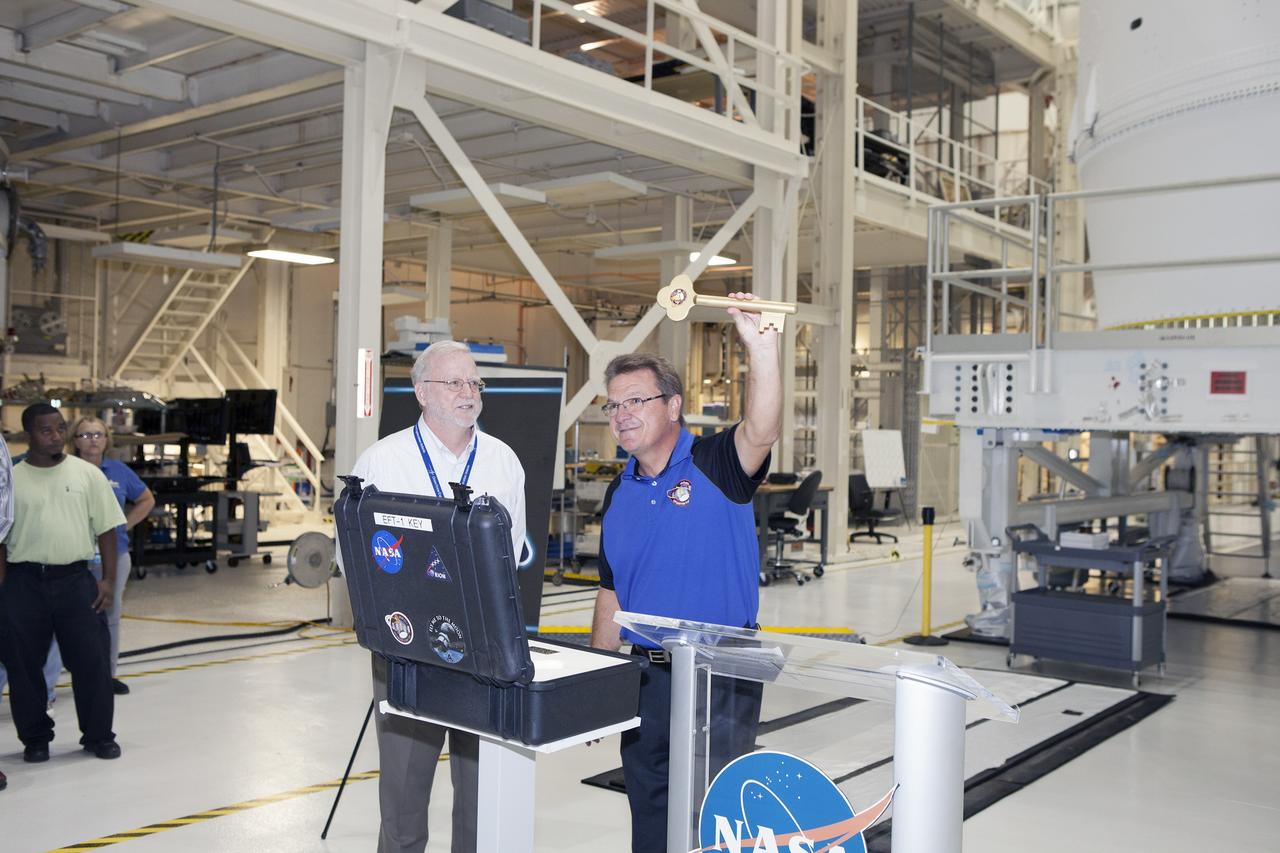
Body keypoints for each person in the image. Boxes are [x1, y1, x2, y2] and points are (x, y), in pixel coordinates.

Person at [589, 293, 781, 853]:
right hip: (648, 678)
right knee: (648, 801)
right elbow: (611, 591)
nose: (622, 414)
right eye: (613, 405)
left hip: (720, 672)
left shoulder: (716, 463)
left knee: (713, 812)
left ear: (673, 406)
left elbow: (762, 429)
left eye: (636, 401)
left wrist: (761, 351)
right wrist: (601, 683)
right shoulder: (618, 490)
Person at [349, 340, 527, 853]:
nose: (469, 393)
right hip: (407, 654)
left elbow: (508, 557)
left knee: (479, 801)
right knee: (404, 803)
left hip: (481, 655)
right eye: (455, 383)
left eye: (475, 383)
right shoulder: (380, 462)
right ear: (422, 392)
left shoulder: (503, 461)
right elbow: (355, 561)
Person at [0, 403, 125, 762]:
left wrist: (108, 581)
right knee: (24, 668)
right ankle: (36, 738)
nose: (55, 436)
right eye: (46, 431)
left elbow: (107, 529)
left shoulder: (86, 475)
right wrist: (4, 590)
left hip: (75, 579)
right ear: (29, 435)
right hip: (24, 582)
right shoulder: (13, 480)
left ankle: (99, 736)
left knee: (92, 663)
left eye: (59, 429)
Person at [69, 416, 155, 695]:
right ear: (75, 441)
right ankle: (70, 673)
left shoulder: (118, 471)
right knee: (70, 616)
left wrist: (125, 524)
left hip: (113, 555)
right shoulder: (64, 470)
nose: (93, 439)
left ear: (107, 439)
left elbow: (146, 499)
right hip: (74, 557)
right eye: (85, 435)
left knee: (110, 616)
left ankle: (106, 675)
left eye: (98, 434)